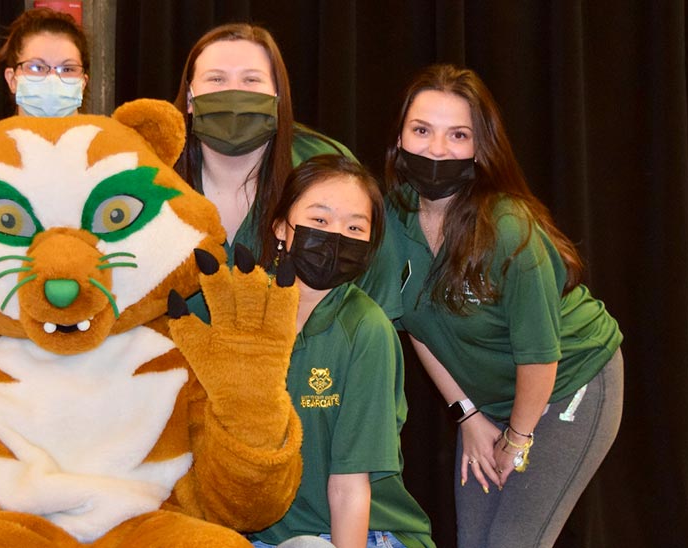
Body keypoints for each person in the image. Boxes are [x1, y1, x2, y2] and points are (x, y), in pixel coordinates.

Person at [381, 64, 624, 548]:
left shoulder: (509, 228)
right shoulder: (393, 216)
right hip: (489, 404)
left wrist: (517, 438)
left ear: (480, 147)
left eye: (458, 135)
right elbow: (414, 327)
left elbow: (540, 356)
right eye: (422, 130)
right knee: (473, 540)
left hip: (568, 387)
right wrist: (468, 414)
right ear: (401, 136)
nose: (435, 149)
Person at [249, 155, 434, 548]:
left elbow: (350, 489)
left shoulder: (367, 330)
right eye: (320, 220)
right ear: (281, 227)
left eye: (354, 227)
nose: (336, 236)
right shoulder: (242, 309)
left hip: (356, 532)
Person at [173, 23, 355, 263]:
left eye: (251, 79)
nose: (234, 93)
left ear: (277, 96)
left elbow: (369, 278)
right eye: (216, 79)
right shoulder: (152, 166)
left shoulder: (325, 163)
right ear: (189, 98)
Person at [0, 7, 90, 117]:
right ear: (12, 80)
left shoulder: (106, 133)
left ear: (83, 83)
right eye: (37, 68)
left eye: (67, 69)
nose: (53, 80)